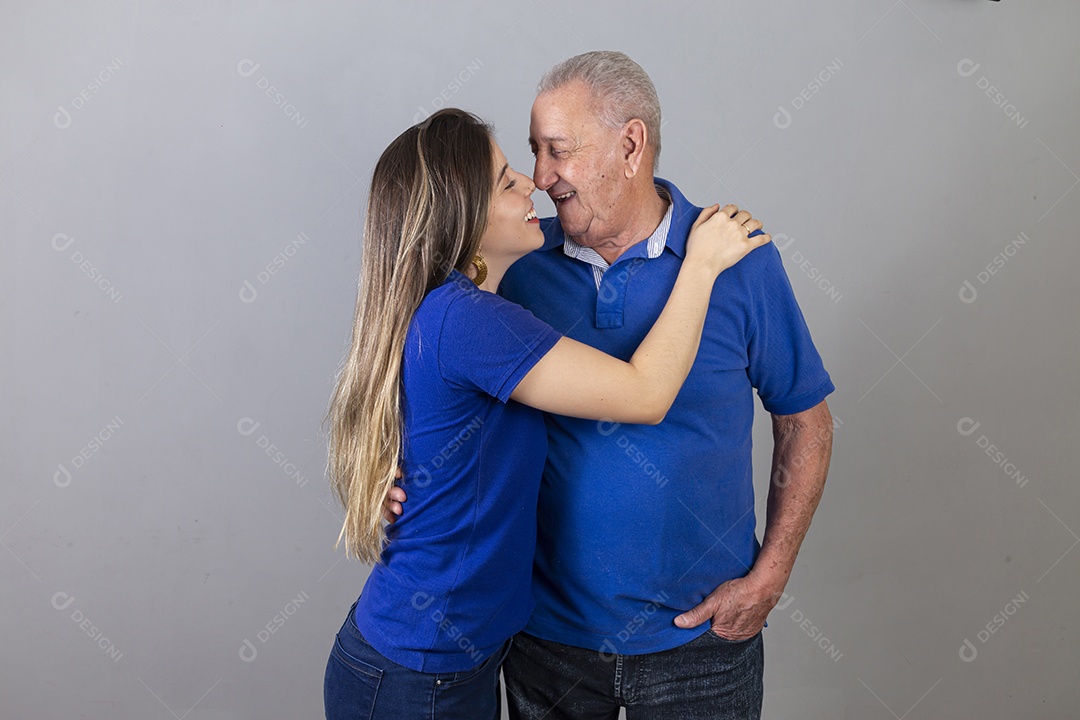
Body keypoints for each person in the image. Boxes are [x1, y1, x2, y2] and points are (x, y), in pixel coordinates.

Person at [391, 52, 835, 719]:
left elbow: (805, 420)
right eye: (533, 153)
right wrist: (391, 471)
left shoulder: (736, 259)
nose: (540, 179)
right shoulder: (514, 264)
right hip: (544, 643)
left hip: (701, 645)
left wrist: (771, 575)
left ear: (631, 146)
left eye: (557, 152)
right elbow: (429, 369)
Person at [322, 108, 771, 720]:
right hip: (416, 674)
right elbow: (644, 394)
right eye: (508, 180)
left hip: (454, 663)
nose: (533, 182)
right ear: (464, 214)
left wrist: (391, 475)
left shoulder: (458, 312)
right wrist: (701, 265)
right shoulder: (473, 320)